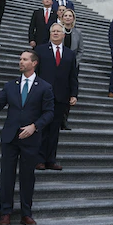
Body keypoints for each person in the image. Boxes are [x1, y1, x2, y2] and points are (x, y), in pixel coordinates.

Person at [0, 50, 54, 225]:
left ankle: (26, 213)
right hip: (10, 137)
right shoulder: (10, 85)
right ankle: (5, 212)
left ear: (34, 63)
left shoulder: (45, 87)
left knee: (27, 176)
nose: (20, 62)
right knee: (6, 176)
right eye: (20, 59)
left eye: (24, 59)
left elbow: (49, 113)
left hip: (30, 139)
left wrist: (34, 127)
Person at [35, 23, 78, 171]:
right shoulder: (40, 50)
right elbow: (35, 73)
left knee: (55, 129)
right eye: (53, 31)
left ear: (63, 34)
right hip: (43, 95)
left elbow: (73, 76)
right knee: (42, 128)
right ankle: (39, 159)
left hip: (61, 96)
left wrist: (74, 94)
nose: (55, 33)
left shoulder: (70, 54)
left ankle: (50, 159)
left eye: (58, 31)